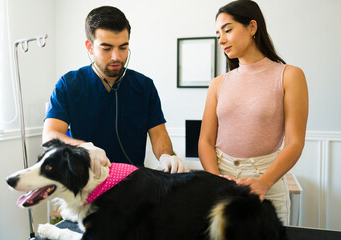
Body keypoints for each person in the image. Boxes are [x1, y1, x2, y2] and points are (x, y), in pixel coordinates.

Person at [198, 0, 308, 225]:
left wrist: (264, 183)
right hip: (221, 178)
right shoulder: (218, 84)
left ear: (252, 27)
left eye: (228, 30)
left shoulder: (289, 75)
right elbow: (205, 141)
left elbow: (295, 142)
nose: (221, 40)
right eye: (218, 34)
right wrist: (216, 180)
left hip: (267, 178)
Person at [43, 6, 187, 176]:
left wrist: (166, 156)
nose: (116, 57)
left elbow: (158, 134)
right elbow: (50, 135)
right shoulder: (68, 85)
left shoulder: (145, 86)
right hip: (85, 181)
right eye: (106, 48)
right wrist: (83, 147)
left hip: (132, 184)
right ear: (90, 47)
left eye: (123, 47)